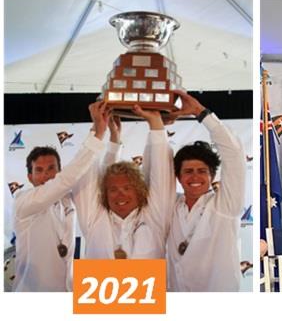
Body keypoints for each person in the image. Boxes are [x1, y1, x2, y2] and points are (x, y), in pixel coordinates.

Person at [12, 101, 108, 291]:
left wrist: (97, 128)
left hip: (67, 293)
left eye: (51, 169)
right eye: (39, 170)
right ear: (29, 177)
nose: (47, 175)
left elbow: (87, 173)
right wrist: (97, 135)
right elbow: (66, 179)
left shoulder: (68, 199)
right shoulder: (23, 201)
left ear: (59, 171)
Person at [163, 90, 246, 292]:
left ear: (212, 176)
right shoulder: (170, 206)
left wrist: (201, 112)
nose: (195, 177)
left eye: (202, 171)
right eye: (188, 171)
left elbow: (234, 154)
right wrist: (158, 127)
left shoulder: (224, 205)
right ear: (178, 176)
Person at [72, 106, 174, 260]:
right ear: (104, 194)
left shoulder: (155, 217)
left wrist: (155, 122)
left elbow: (161, 172)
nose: (121, 194)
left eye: (127, 188)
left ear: (139, 191)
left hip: (150, 285)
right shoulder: (94, 218)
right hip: (98, 284)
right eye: (113, 190)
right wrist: (97, 130)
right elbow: (87, 172)